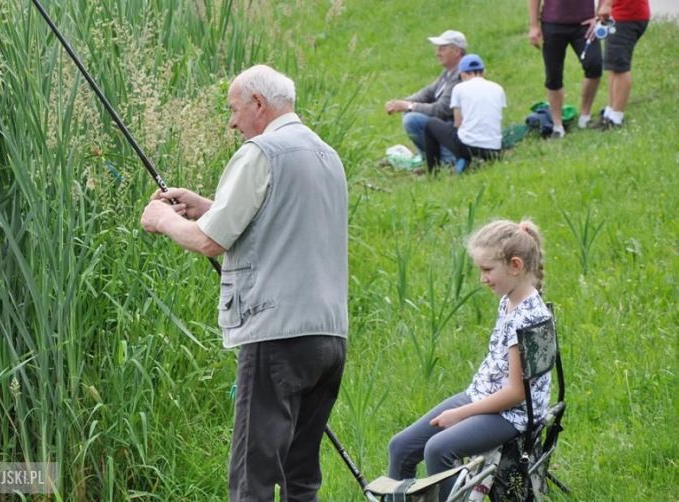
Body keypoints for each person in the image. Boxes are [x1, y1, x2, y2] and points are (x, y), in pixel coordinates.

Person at [141, 65, 348, 502]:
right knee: (301, 477)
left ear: (258, 103)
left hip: (276, 337)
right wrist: (207, 206)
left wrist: (162, 219)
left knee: (252, 480)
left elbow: (209, 242)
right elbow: (283, 222)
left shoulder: (262, 152)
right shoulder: (326, 155)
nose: (232, 122)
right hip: (328, 338)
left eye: (234, 110)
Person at [388, 219, 552, 502]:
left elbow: (515, 394)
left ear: (515, 266)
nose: (482, 279)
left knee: (439, 449)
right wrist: (468, 407)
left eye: (487, 270)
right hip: (484, 396)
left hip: (511, 414)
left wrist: (462, 413)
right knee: (401, 447)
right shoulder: (510, 299)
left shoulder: (528, 319)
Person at [385, 30, 467, 165]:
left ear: (457, 51)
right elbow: (428, 92)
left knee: (412, 119)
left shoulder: (460, 76)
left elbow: (442, 110)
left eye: (442, 49)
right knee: (408, 112)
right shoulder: (448, 73)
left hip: (456, 127)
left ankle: (446, 158)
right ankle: (430, 156)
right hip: (448, 124)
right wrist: (402, 103)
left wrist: (408, 106)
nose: (437, 53)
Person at [528, 0, 602, 137]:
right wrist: (533, 26)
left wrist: (598, 16)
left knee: (595, 64)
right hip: (553, 23)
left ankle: (585, 117)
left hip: (584, 23)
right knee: (553, 75)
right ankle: (557, 126)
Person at [423, 55, 506, 174]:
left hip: (468, 148)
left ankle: (433, 173)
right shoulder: (498, 88)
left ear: (462, 75)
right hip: (494, 149)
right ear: (484, 72)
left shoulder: (459, 88)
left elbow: (458, 123)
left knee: (431, 124)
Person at [591, 0, 650, 129]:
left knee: (620, 67)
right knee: (613, 66)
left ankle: (616, 118)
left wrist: (606, 4)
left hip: (626, 17)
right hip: (619, 15)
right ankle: (610, 112)